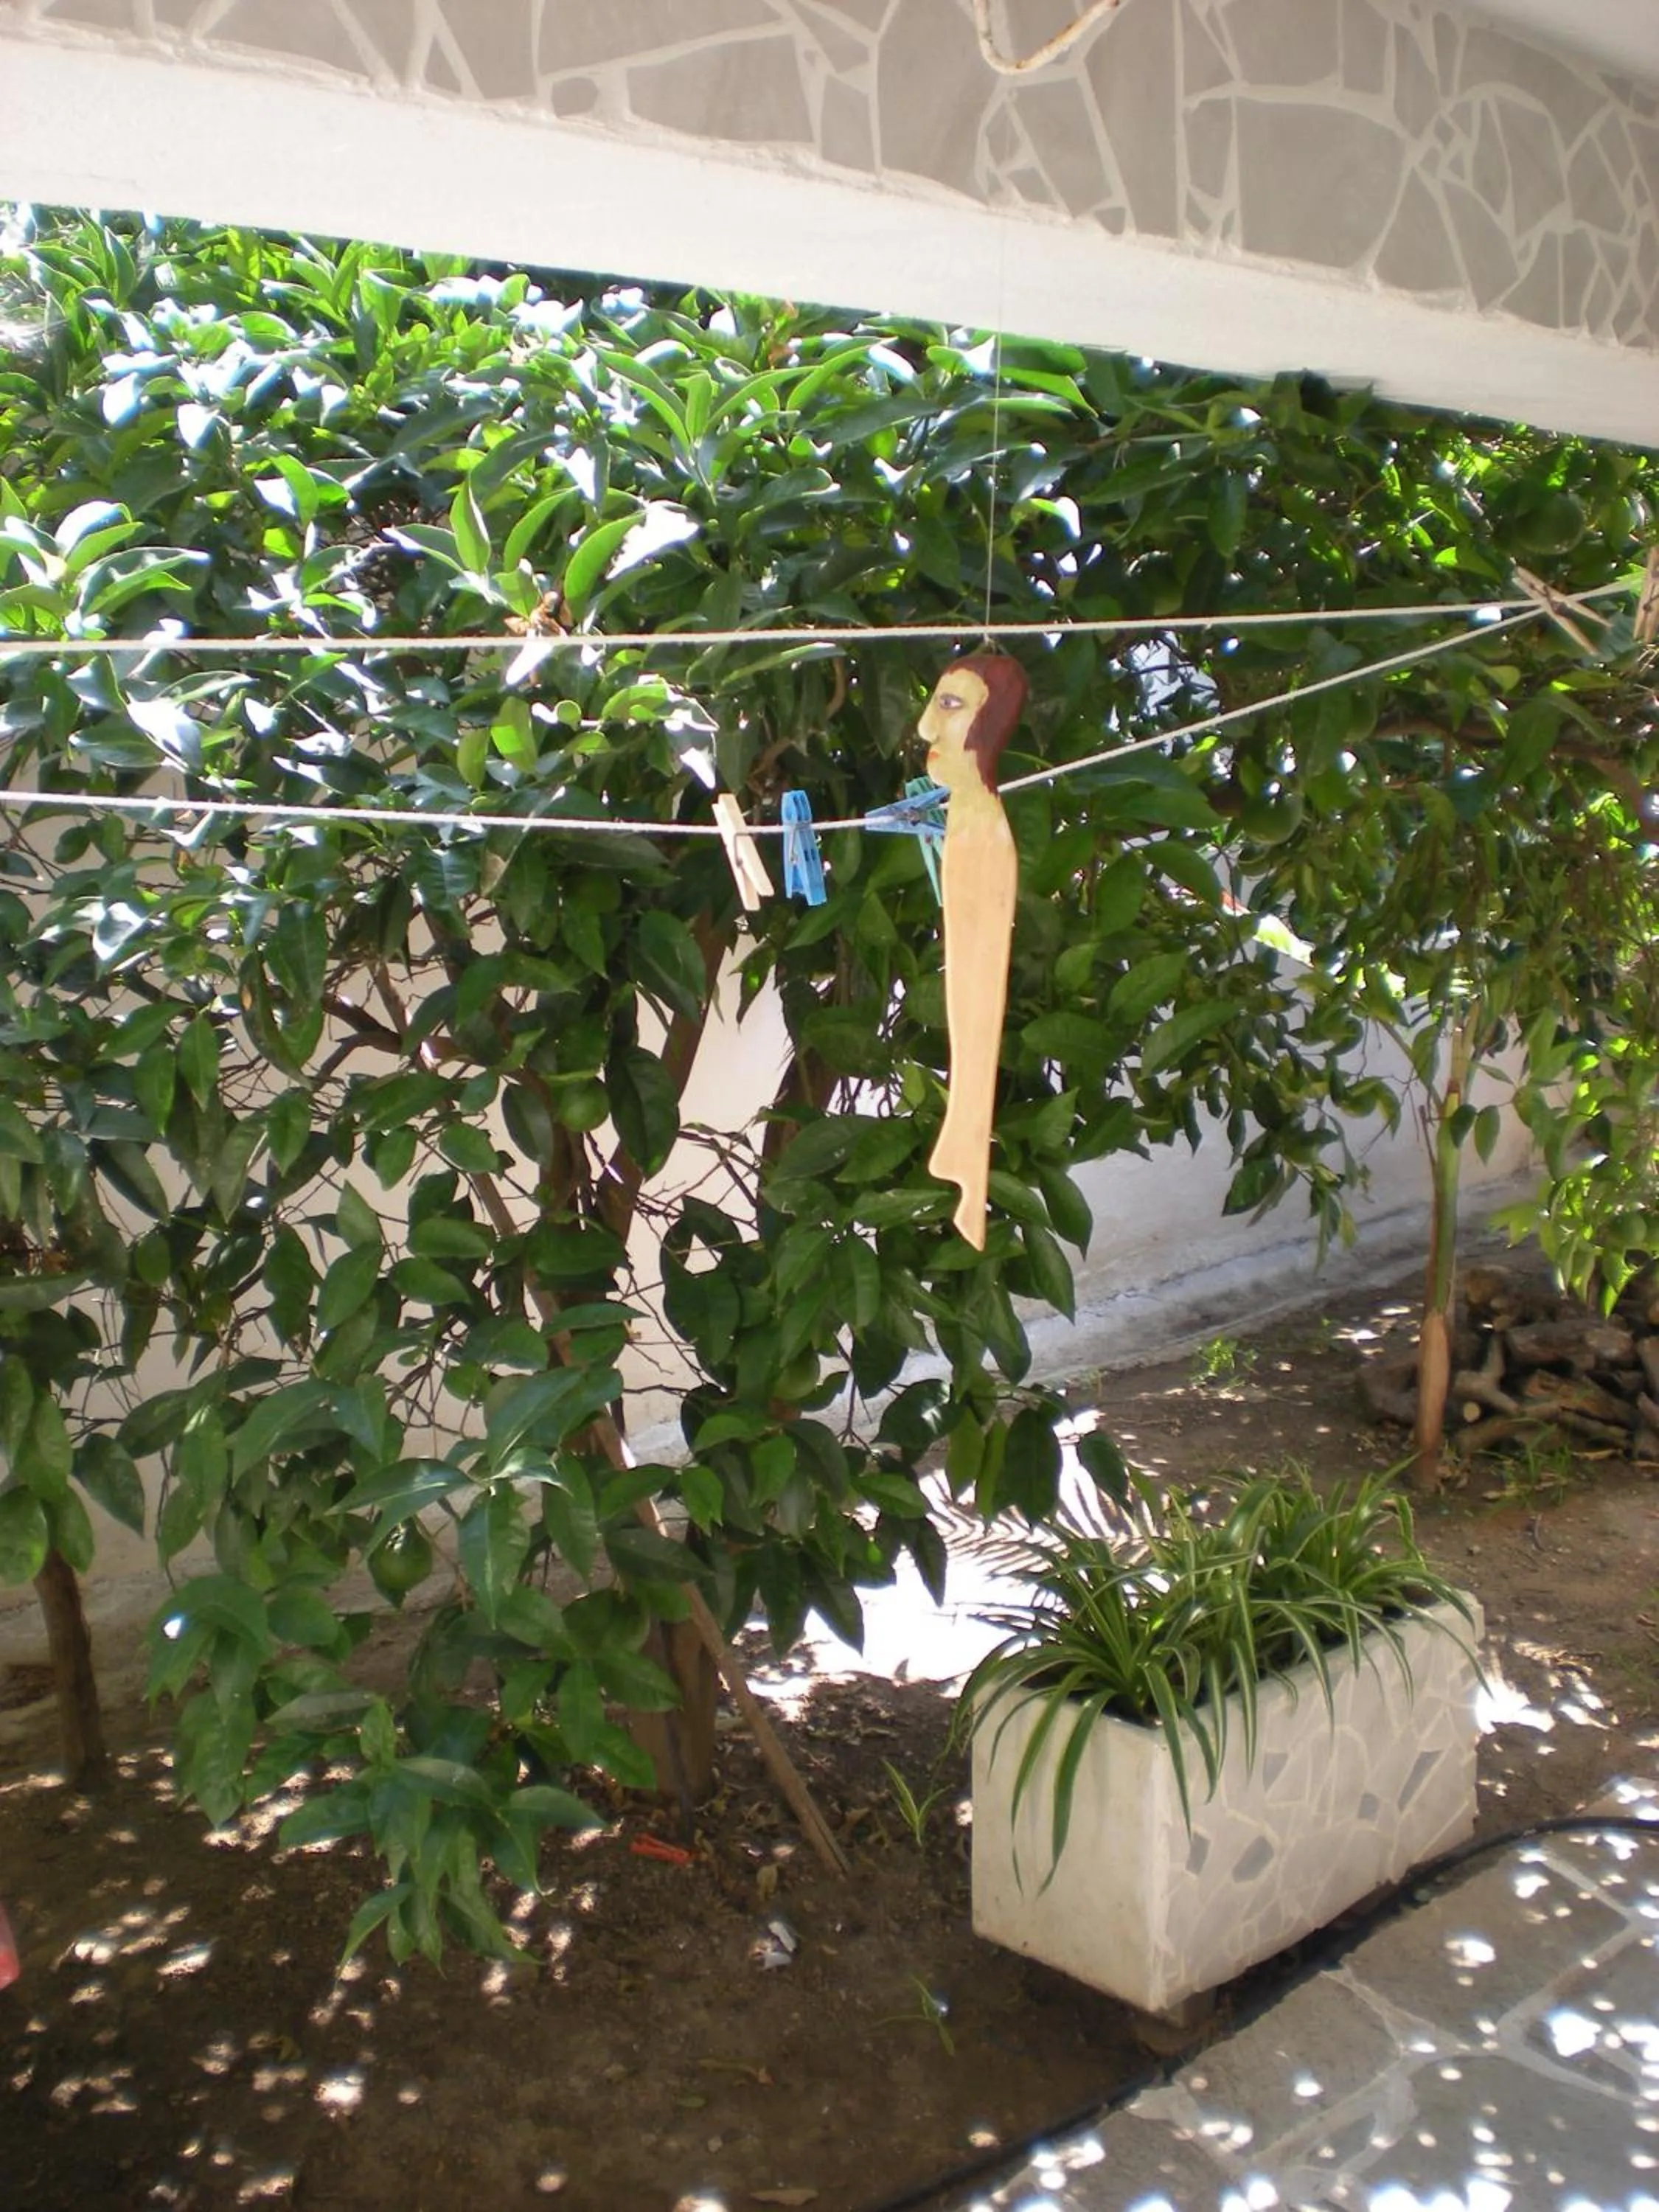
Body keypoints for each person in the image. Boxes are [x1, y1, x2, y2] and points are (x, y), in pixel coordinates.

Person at [919, 653, 1028, 1250]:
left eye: (951, 705)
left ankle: (965, 1148)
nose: (926, 728)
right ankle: (960, 1146)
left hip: (980, 846)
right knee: (965, 1007)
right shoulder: (964, 819)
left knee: (975, 1008)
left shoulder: (985, 830)